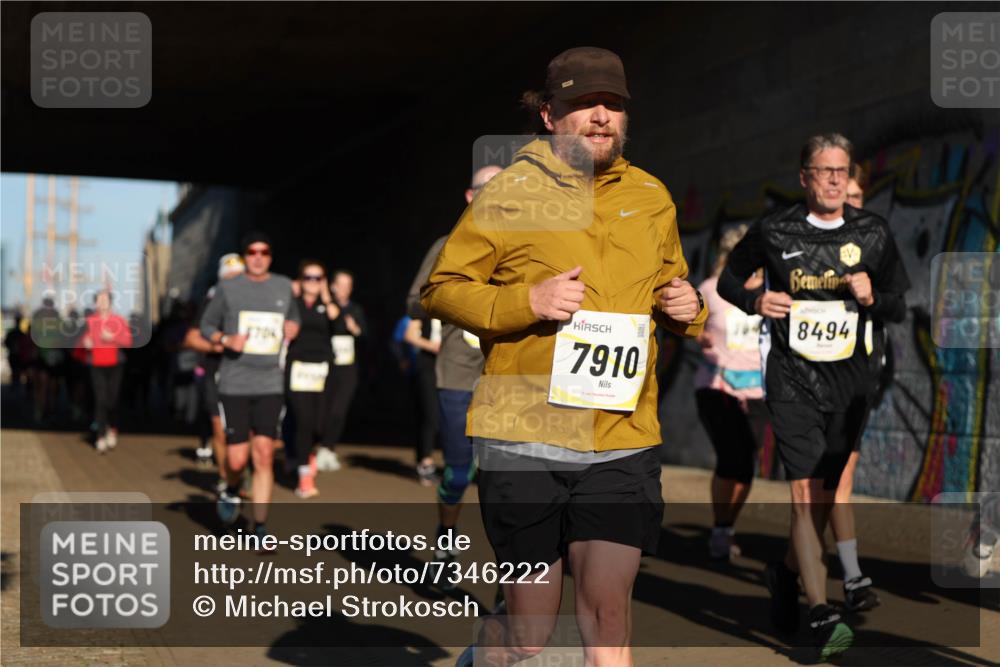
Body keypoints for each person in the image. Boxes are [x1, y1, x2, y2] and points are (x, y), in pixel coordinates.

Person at [422, 47, 706, 666]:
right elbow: (442, 289)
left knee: (608, 615)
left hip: (621, 440)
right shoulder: (509, 193)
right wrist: (528, 300)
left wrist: (688, 307)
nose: (601, 116)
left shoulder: (651, 197)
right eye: (584, 103)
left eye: (613, 104)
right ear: (550, 115)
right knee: (529, 635)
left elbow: (672, 284)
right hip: (525, 440)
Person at [718, 133, 909, 660]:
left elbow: (898, 305)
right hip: (792, 379)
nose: (833, 180)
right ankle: (822, 611)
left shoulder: (873, 232)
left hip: (850, 384)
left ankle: (784, 575)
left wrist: (873, 296)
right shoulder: (775, 229)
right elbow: (730, 281)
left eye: (841, 171)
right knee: (805, 495)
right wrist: (756, 301)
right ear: (804, 177)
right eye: (823, 171)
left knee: (825, 496)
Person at [408, 165, 501, 583]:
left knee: (507, 482)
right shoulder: (448, 246)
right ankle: (445, 541)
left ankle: (510, 575)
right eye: (489, 188)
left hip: (508, 379)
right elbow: (414, 302)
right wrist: (461, 300)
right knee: (459, 473)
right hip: (458, 376)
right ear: (470, 196)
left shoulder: (528, 244)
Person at [199, 232, 300, 541]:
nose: (258, 257)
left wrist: (292, 327)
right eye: (252, 252)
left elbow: (293, 319)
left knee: (265, 454)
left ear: (270, 256)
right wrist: (224, 339)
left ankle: (260, 527)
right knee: (237, 459)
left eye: (264, 252)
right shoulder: (229, 288)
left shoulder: (283, 286)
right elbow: (206, 326)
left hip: (270, 382)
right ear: (245, 257)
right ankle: (231, 487)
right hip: (235, 382)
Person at [694, 224, 767, 561]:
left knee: (747, 464)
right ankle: (720, 526)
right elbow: (690, 325)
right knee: (730, 457)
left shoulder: (770, 292)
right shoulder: (711, 290)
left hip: (759, 389)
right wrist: (698, 336)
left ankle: (728, 524)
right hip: (717, 385)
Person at [827, 164, 881, 612]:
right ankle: (850, 575)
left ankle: (793, 568)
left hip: (856, 383)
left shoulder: (875, 252)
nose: (850, 205)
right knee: (821, 486)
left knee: (833, 484)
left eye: (857, 197)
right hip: (807, 383)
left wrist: (871, 296)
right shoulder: (798, 249)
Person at [185, 253, 245, 493]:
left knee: (246, 432)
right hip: (216, 370)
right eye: (229, 277)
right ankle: (225, 478)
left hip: (247, 372)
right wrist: (217, 346)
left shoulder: (256, 300)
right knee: (220, 429)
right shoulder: (212, 301)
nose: (234, 281)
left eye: (238, 276)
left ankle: (241, 473)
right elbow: (191, 338)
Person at [284, 259, 340, 498]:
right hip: (297, 366)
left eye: (318, 278)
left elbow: (337, 323)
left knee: (320, 422)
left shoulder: (327, 305)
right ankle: (304, 473)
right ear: (300, 279)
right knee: (302, 418)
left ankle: (307, 453)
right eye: (308, 277)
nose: (312, 282)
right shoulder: (292, 303)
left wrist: (326, 297)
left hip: (322, 368)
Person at [316, 269, 367, 471]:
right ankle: (316, 446)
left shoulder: (356, 310)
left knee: (339, 409)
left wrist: (356, 330)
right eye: (340, 284)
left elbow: (366, 337)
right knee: (321, 409)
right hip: (324, 366)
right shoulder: (323, 307)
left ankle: (328, 448)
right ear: (332, 286)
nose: (344, 289)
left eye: (348, 285)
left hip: (347, 368)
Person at [82, 289, 133, 453]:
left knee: (112, 399)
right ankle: (100, 436)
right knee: (100, 400)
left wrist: (113, 338)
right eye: (99, 300)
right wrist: (86, 343)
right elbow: (82, 340)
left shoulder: (118, 320)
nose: (102, 303)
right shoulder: (90, 321)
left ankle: (112, 428)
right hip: (96, 364)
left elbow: (128, 341)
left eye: (104, 299)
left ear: (110, 302)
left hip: (115, 364)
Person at [402, 312, 441, 485]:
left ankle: (429, 460)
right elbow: (409, 335)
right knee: (430, 414)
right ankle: (425, 462)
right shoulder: (424, 307)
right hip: (427, 365)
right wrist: (432, 346)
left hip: (450, 367)